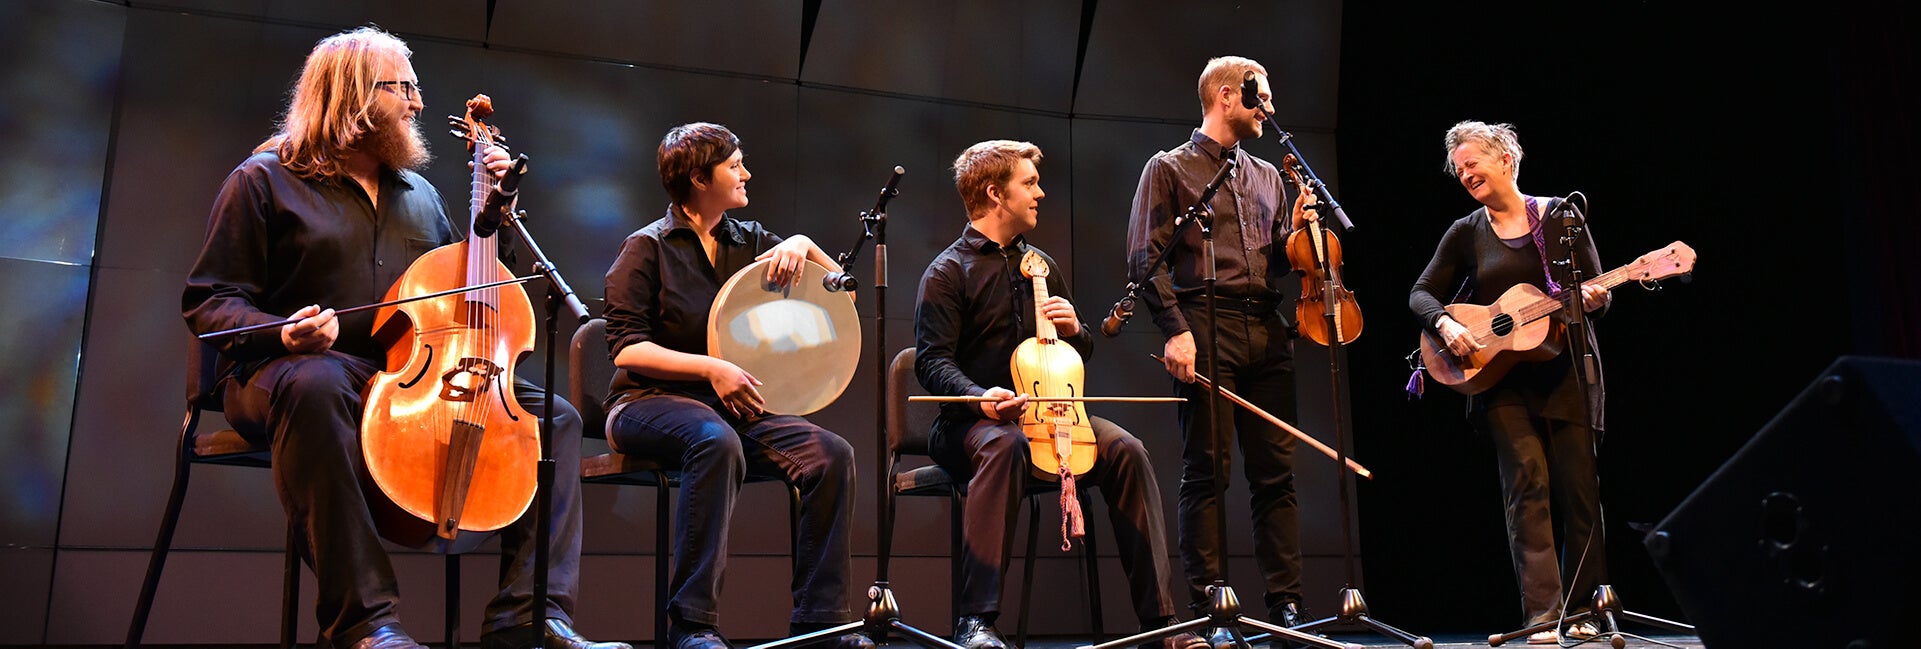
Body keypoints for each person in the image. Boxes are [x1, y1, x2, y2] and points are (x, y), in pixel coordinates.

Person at [182, 27, 625, 649]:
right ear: (354, 94)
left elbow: (463, 288)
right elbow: (209, 301)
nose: (417, 103)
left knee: (554, 420)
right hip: (283, 373)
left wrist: (494, 217)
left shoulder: (420, 195)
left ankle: (530, 619)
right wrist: (284, 334)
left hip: (402, 371)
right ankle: (365, 623)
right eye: (404, 89)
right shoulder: (264, 180)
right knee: (317, 383)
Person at [914, 140, 1207, 649]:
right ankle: (976, 622)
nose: (1040, 193)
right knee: (1006, 445)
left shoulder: (1041, 266)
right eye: (1029, 183)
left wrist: (1076, 330)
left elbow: (1079, 353)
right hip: (973, 425)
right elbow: (930, 362)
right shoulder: (948, 272)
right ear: (994, 194)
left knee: (1126, 450)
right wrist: (980, 395)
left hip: (1055, 416)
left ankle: (1160, 624)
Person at [601, 122, 869, 649]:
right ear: (700, 179)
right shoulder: (647, 247)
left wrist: (806, 246)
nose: (746, 174)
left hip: (729, 405)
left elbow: (844, 299)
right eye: (734, 166)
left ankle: (820, 624)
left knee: (830, 456)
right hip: (646, 402)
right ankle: (692, 625)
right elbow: (626, 348)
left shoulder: (751, 242)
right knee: (714, 441)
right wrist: (710, 368)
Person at [1123, 56, 1315, 641]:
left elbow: (1274, 262)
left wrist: (1296, 235)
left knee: (1276, 474)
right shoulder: (1170, 168)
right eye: (1262, 96)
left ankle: (1286, 605)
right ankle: (1213, 605)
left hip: (1265, 325)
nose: (1269, 108)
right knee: (1208, 471)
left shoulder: (1267, 175)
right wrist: (1175, 329)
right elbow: (1144, 256)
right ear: (1228, 95)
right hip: (1205, 322)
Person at [1408, 120, 1610, 645]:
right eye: (1458, 169)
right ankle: (1542, 616)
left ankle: (1582, 612)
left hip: (1567, 372)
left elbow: (1600, 291)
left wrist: (1594, 298)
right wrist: (1445, 324)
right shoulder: (1466, 231)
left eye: (1472, 162)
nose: (1464, 174)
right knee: (1527, 486)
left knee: (1580, 493)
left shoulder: (1560, 217)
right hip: (1501, 383)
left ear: (1505, 159)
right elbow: (1421, 293)